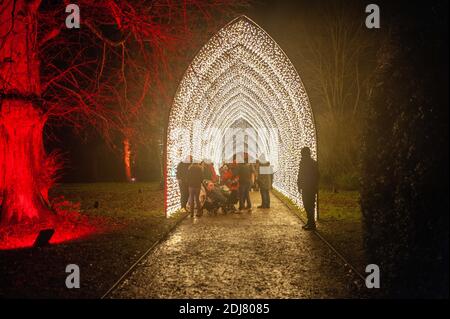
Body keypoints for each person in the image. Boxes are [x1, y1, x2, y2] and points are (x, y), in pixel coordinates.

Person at [297, 147, 319, 230]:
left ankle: (311, 224)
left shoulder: (304, 163)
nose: (301, 154)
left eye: (302, 153)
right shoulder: (313, 162)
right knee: (309, 205)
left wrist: (299, 185)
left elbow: (300, 175)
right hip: (311, 187)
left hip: (307, 187)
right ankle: (310, 222)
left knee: (307, 205)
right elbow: (317, 175)